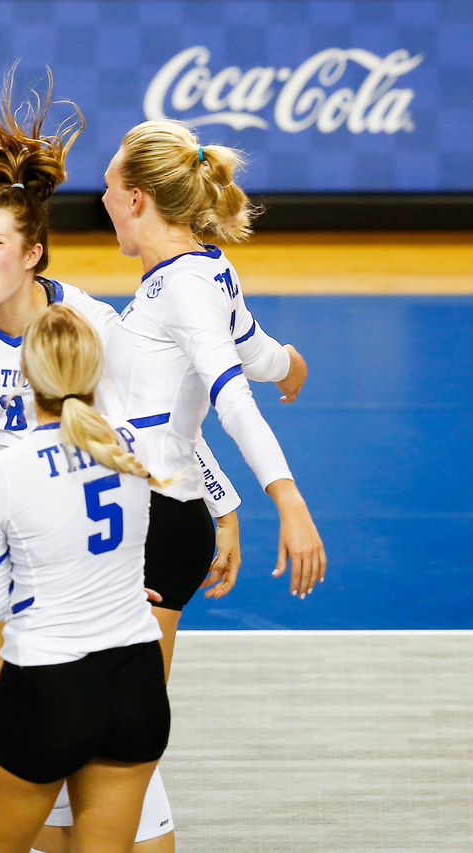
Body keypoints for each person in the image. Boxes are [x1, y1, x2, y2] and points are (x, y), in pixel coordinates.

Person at [0, 65, 279, 853]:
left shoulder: (89, 325)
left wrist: (220, 505)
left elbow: (164, 432)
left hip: (84, 557)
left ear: (32, 253)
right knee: (38, 778)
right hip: (12, 542)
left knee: (99, 769)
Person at [0, 302, 170, 853]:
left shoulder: (2, 469)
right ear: (95, 372)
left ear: (27, 377)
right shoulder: (132, 445)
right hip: (136, 681)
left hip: (47, 688)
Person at [99, 119, 325, 609]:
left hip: (152, 524)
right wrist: (289, 365)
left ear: (136, 199)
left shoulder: (185, 288)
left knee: (125, 688)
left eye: (108, 187)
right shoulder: (207, 270)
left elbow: (234, 402)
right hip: (139, 514)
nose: (103, 200)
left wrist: (289, 501)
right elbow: (255, 356)